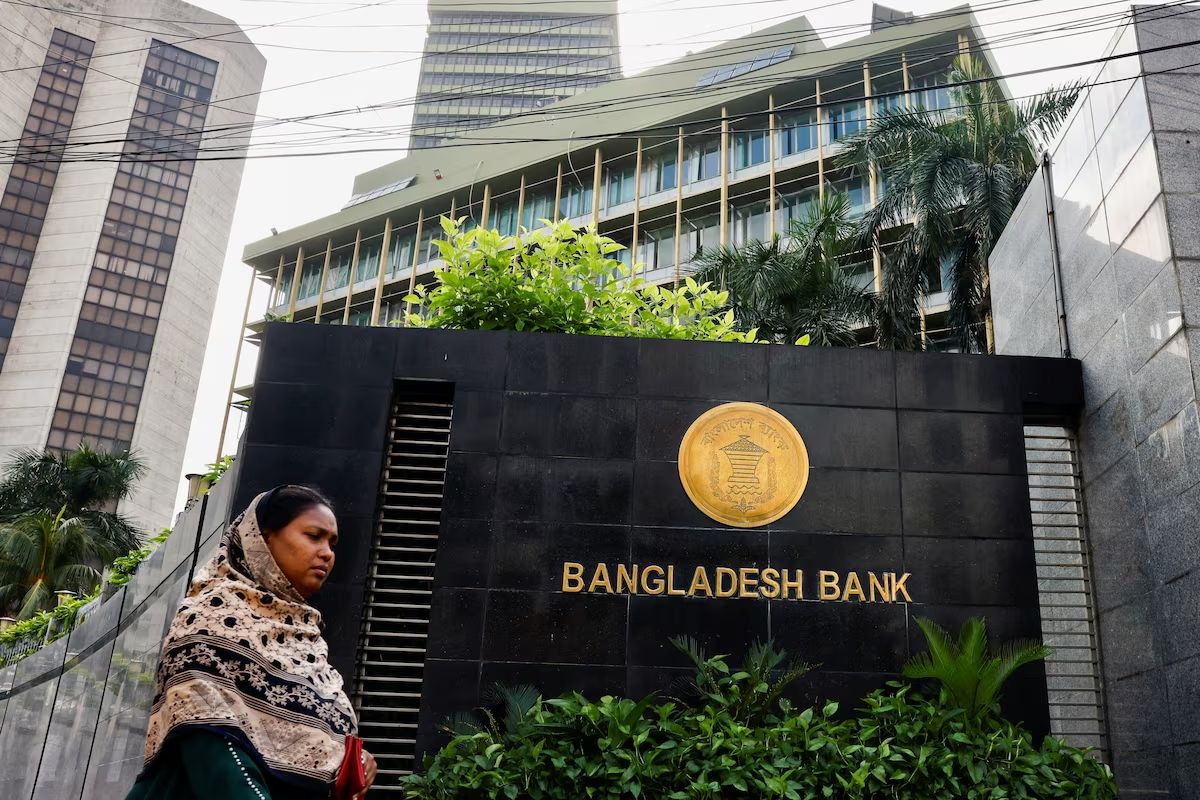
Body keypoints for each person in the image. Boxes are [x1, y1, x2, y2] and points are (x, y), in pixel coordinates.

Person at [125, 485, 378, 799]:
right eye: (314, 536)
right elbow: (208, 743)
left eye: (332, 542)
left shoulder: (307, 642)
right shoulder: (208, 617)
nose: (327, 552)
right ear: (264, 538)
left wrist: (353, 762)